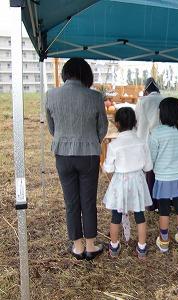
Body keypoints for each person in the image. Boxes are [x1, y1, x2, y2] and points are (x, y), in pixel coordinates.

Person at [45, 57, 108, 260]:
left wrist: (65, 138)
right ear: (86, 75)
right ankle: (91, 245)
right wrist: (90, 140)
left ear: (65, 73)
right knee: (88, 201)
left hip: (63, 154)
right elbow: (103, 128)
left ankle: (78, 246)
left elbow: (52, 127)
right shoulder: (95, 96)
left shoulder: (51, 95)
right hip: (89, 154)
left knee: (71, 202)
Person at [102, 107, 153, 259]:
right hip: (137, 180)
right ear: (135, 123)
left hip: (120, 182)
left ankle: (114, 246)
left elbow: (108, 168)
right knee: (139, 215)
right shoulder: (141, 142)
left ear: (116, 124)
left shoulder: (114, 145)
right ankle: (142, 247)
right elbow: (148, 166)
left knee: (116, 215)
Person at [149, 97, 178, 253]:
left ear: (163, 113)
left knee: (164, 208)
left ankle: (164, 241)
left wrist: (150, 167)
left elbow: (152, 156)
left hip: (163, 176)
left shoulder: (157, 132)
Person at [135, 77, 164, 211]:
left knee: (149, 172)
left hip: (147, 139)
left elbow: (137, 121)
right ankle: (163, 201)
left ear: (146, 90)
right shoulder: (164, 99)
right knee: (162, 172)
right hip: (164, 140)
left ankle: (151, 202)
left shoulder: (143, 101)